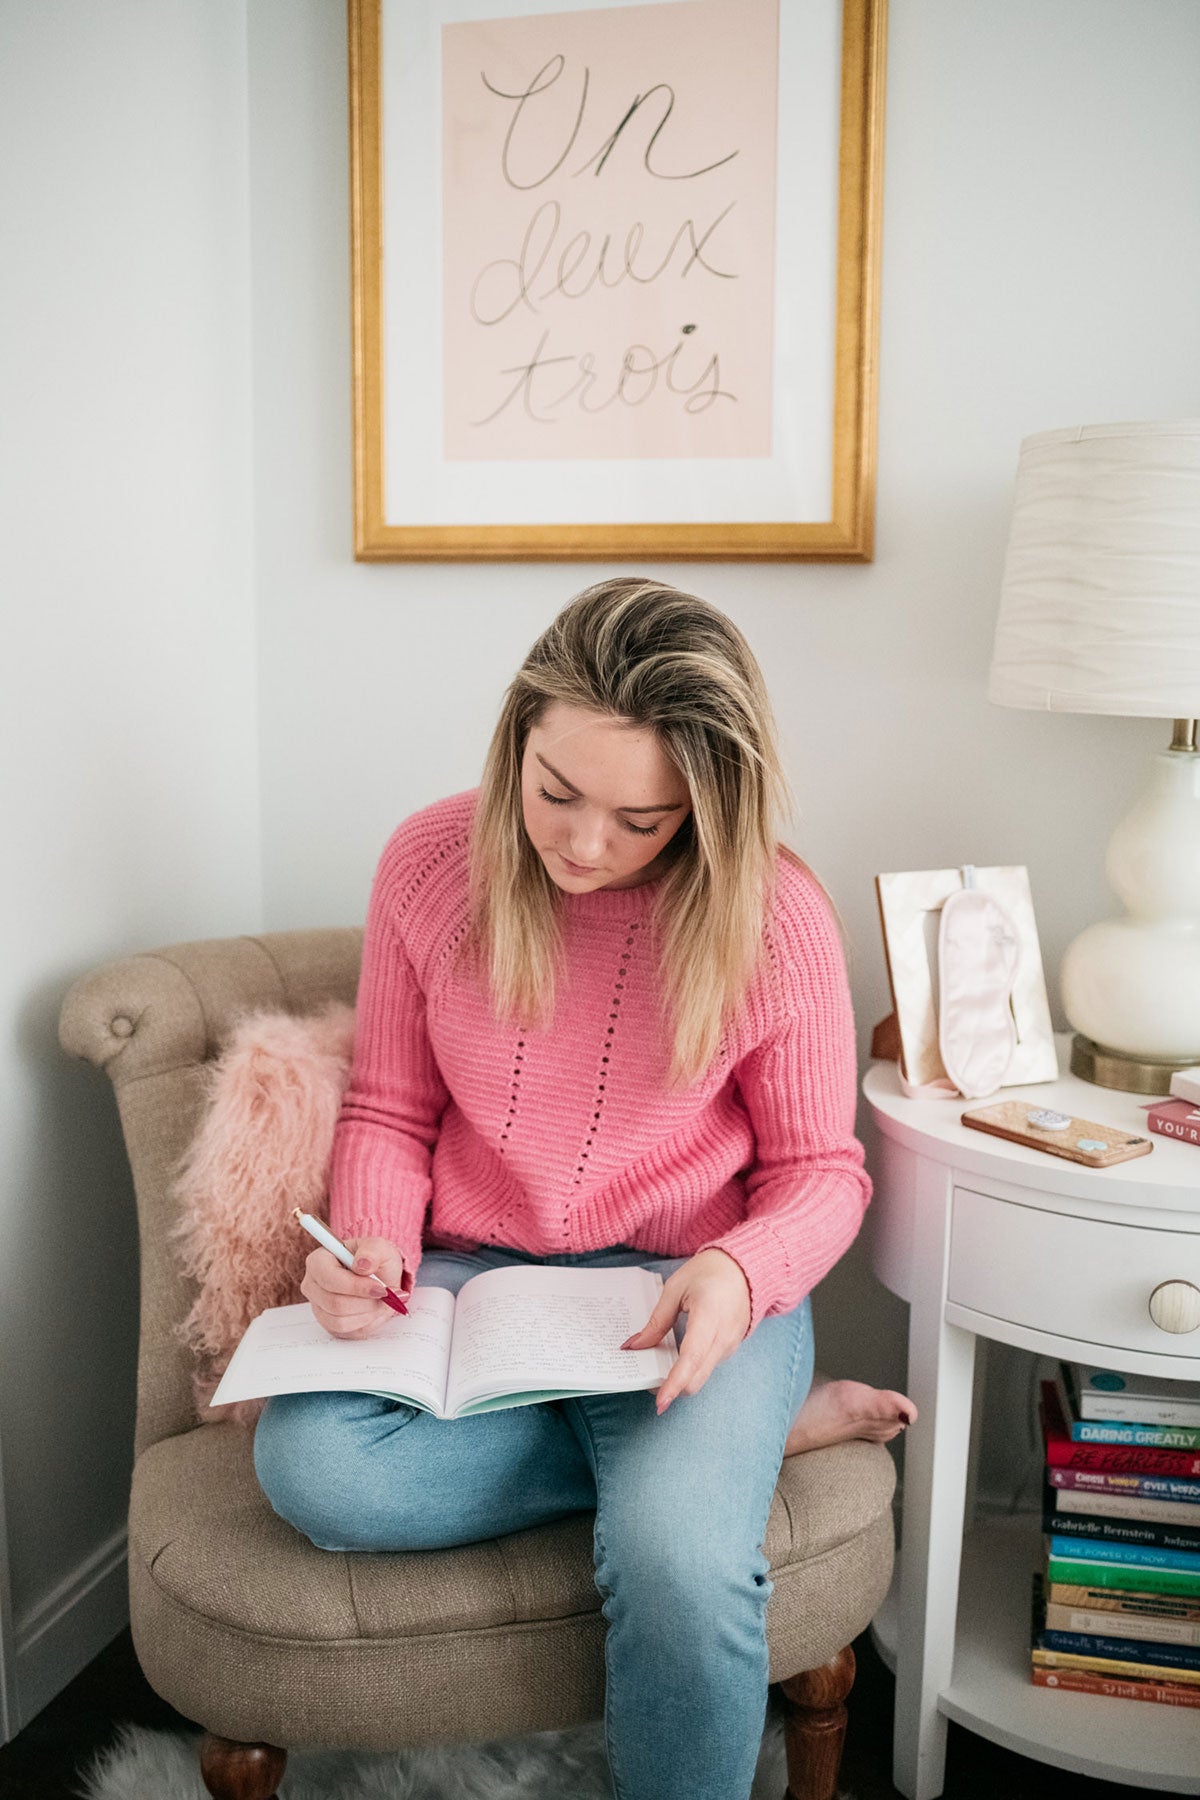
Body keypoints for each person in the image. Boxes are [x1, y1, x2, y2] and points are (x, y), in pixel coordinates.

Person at [253, 577, 915, 1800]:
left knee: (678, 1561)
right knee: (315, 1472)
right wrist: (373, 1246)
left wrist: (738, 1270)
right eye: (555, 792)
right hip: (473, 1285)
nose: (584, 845)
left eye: (643, 820)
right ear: (518, 738)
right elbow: (392, 1111)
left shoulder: (778, 916)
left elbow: (820, 1173)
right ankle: (757, 1436)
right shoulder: (428, 863)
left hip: (687, 1289)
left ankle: (725, 1438)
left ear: (707, 808)